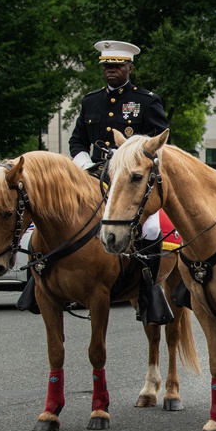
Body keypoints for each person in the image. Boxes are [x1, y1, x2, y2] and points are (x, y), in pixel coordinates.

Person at [67, 40, 172, 325]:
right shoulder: (90, 101)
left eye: (117, 66)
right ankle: (42, 281)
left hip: (130, 179)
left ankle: (149, 291)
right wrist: (84, 163)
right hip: (95, 176)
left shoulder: (147, 100)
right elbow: (77, 140)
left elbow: (161, 143)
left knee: (150, 228)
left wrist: (130, 159)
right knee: (61, 216)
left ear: (129, 67)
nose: (111, 71)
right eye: (107, 66)